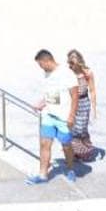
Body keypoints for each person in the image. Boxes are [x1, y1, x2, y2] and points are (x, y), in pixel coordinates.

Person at [29, 51, 76, 184]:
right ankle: (43, 175)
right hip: (48, 115)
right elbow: (52, 93)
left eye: (41, 65)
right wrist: (42, 103)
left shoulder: (67, 74)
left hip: (63, 117)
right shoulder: (47, 73)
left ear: (47, 61)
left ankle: (70, 168)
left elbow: (75, 96)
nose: (41, 68)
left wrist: (72, 116)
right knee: (44, 144)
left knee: (66, 145)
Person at [66, 49, 98, 161]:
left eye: (72, 63)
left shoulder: (87, 73)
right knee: (72, 129)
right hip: (71, 103)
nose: (70, 65)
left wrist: (94, 108)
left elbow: (92, 91)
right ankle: (76, 151)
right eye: (69, 62)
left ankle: (85, 150)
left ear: (79, 61)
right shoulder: (68, 74)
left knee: (81, 129)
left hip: (83, 103)